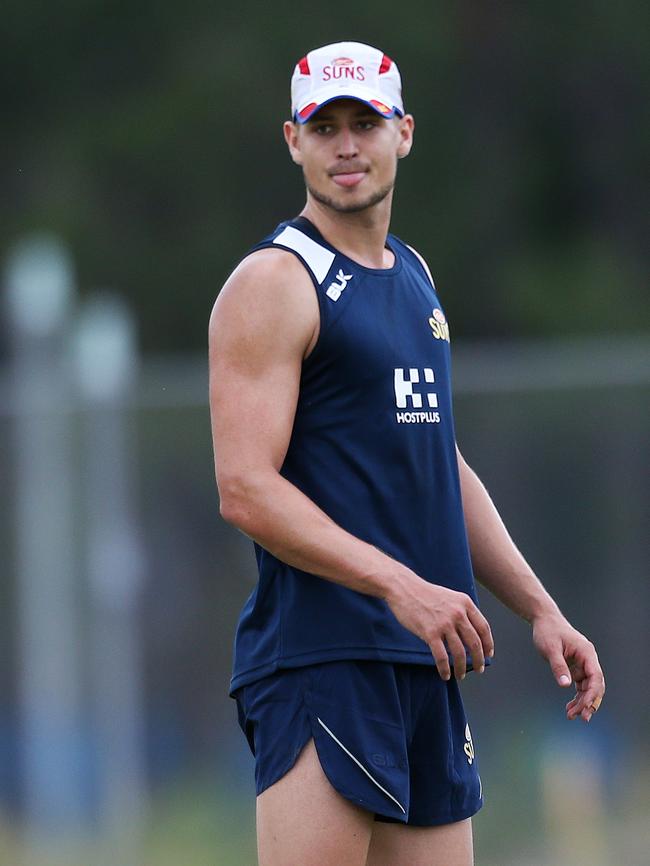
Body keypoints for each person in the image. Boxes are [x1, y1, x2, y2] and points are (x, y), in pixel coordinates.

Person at [208, 41, 605, 866]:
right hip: (325, 661)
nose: (346, 145)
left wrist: (540, 609)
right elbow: (245, 488)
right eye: (325, 128)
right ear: (293, 140)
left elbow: (439, 464)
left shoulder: (414, 275)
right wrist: (400, 585)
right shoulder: (275, 282)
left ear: (405, 134)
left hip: (427, 666)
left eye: (366, 123)